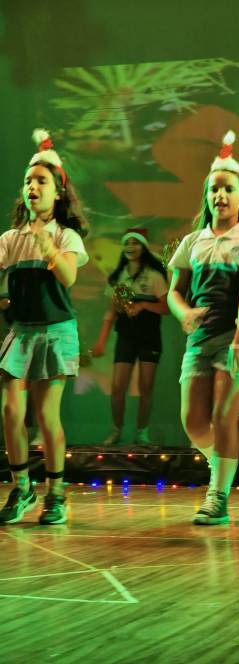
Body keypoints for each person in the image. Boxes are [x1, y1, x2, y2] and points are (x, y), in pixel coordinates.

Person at [168, 131, 239, 525]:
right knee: (193, 422)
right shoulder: (193, 241)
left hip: (236, 338)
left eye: (228, 189)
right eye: (214, 189)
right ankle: (222, 465)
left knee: (225, 416)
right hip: (199, 340)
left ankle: (218, 496)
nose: (220, 195)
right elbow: (175, 291)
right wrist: (183, 313)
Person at [0, 129, 88, 525]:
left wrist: (46, 243)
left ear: (58, 192)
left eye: (42, 181)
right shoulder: (10, 239)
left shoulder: (66, 236)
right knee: (10, 411)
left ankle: (56, 494)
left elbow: (68, 276)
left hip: (56, 332)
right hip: (21, 332)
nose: (33, 187)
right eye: (28, 181)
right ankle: (21, 488)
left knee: (47, 415)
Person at [92, 228, 169, 444]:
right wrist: (100, 342)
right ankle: (116, 430)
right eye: (127, 243)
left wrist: (143, 305)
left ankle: (142, 432)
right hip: (126, 337)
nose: (130, 247)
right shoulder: (118, 277)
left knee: (146, 387)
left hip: (150, 338)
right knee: (118, 388)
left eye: (135, 243)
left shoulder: (154, 276)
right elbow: (110, 313)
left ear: (143, 247)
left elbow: (166, 308)